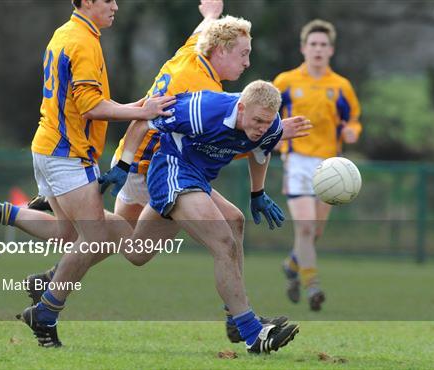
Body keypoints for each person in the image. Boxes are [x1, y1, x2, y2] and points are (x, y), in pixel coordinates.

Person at [24, 0, 310, 344]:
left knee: (202, 230)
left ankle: (237, 315)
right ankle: (244, 322)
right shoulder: (199, 88)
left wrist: (210, 17)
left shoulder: (196, 55)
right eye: (243, 54)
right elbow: (160, 125)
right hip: (148, 165)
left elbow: (202, 37)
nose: (247, 62)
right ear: (220, 52)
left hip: (167, 163)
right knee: (115, 240)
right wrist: (122, 167)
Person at [0, 0, 175, 347]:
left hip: (49, 147)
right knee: (97, 239)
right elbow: (91, 107)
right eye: (108, 0)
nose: (116, 6)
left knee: (67, 234)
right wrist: (140, 110)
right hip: (67, 155)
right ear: (87, 1)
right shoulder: (83, 42)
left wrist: (138, 111)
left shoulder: (67, 33)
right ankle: (45, 312)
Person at [127, 80, 302, 354]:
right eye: (256, 120)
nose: (261, 128)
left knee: (137, 252)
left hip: (198, 180)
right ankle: (251, 332)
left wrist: (258, 193)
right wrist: (124, 164)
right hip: (171, 170)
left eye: (267, 123)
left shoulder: (271, 124)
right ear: (241, 108)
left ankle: (234, 317)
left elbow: (261, 151)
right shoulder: (201, 108)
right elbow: (143, 122)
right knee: (223, 241)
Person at [273, 19, 362, 311]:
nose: (318, 49)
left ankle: (291, 264)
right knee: (306, 228)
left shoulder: (340, 86)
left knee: (316, 231)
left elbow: (353, 120)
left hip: (330, 166)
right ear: (303, 48)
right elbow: (267, 114)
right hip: (296, 162)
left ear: (331, 50)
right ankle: (313, 287)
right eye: (313, 44)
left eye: (323, 44)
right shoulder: (286, 81)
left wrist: (352, 132)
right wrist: (271, 136)